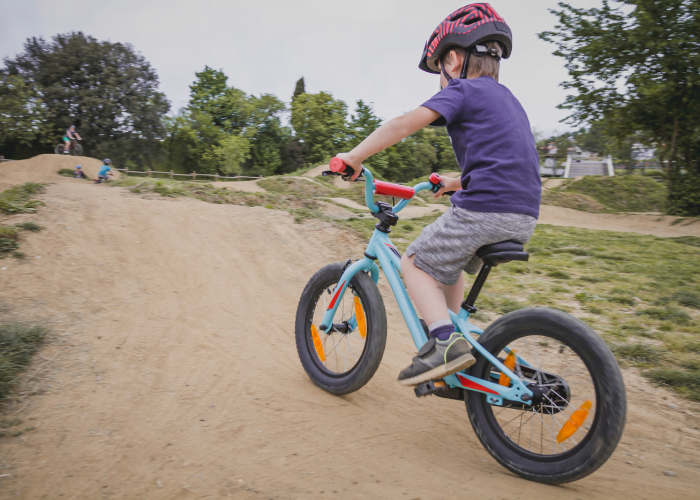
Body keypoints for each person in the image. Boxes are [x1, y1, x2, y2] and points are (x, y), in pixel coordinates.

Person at [335, 3, 541, 386]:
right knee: (448, 264)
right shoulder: (509, 99)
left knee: (414, 262)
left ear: (452, 58)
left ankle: (444, 343)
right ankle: (458, 333)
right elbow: (506, 162)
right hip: (524, 212)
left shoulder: (463, 89)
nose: (440, 83)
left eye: (438, 73)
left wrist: (354, 157)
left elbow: (402, 125)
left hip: (486, 209)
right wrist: (456, 182)